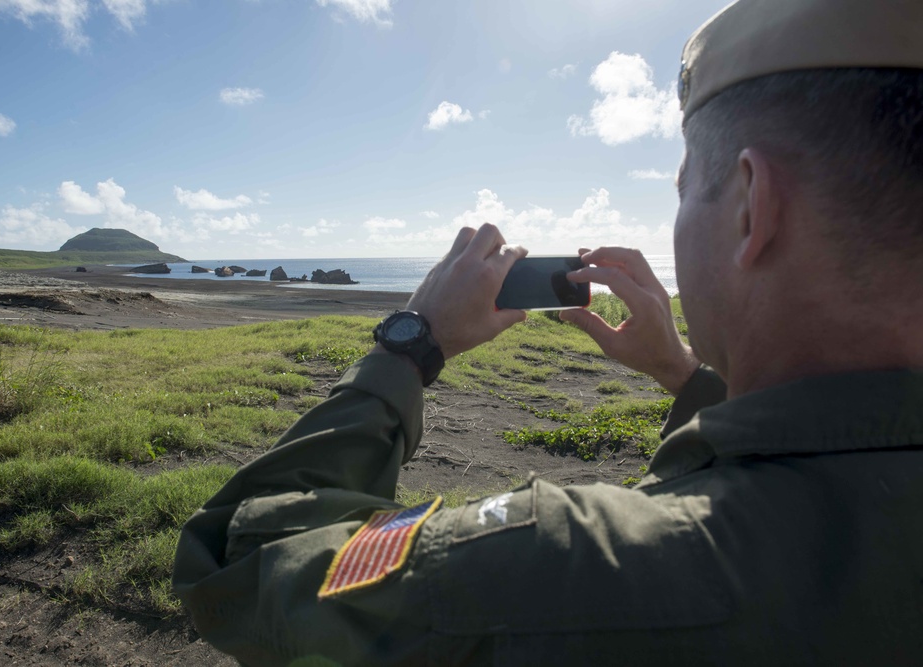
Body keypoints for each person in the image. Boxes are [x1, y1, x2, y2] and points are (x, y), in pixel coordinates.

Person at [173, 0, 923, 664]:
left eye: (686, 184)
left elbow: (236, 565)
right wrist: (688, 376)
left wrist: (413, 341)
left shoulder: (562, 565)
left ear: (751, 209)